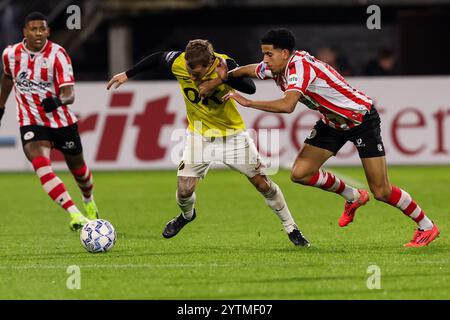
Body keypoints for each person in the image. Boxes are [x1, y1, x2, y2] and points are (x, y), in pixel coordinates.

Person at [223, 28, 439, 247]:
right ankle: (353, 197)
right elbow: (251, 70)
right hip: (333, 123)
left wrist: (248, 103)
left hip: (360, 119)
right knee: (300, 174)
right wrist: (226, 75)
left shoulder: (300, 68)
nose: (265, 60)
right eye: (264, 54)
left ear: (285, 53)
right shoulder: (278, 66)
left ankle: (427, 226)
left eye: (269, 54)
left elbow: (288, 106)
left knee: (381, 191)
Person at [107, 39, 310, 247]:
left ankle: (291, 228)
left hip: (233, 136)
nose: (193, 77)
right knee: (184, 190)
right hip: (200, 136)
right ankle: (186, 216)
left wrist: (222, 80)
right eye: (189, 72)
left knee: (263, 184)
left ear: (209, 64)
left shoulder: (225, 65)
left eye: (197, 74)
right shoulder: (179, 62)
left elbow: (250, 88)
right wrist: (126, 74)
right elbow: (158, 58)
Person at [0, 12, 98, 230]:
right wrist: (1, 106)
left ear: (48, 31)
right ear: (24, 32)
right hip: (31, 122)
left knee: (79, 171)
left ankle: (88, 201)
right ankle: (75, 215)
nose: (38, 33)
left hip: (62, 123)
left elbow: (69, 94)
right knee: (41, 166)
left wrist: (56, 101)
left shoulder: (58, 55)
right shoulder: (11, 54)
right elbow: (7, 77)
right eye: (33, 29)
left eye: (42, 29)